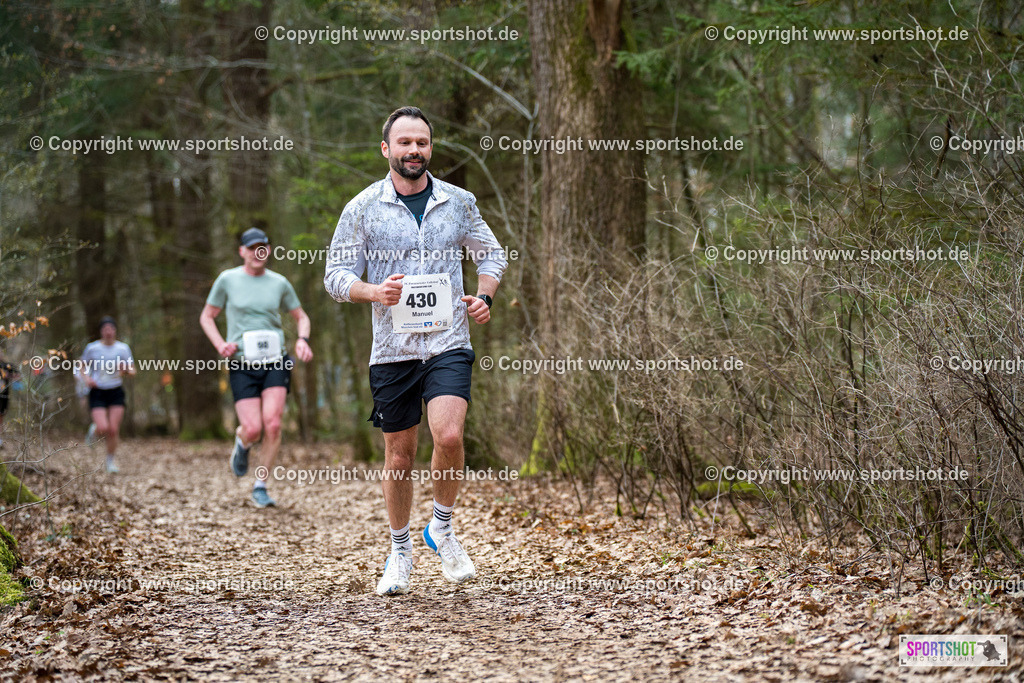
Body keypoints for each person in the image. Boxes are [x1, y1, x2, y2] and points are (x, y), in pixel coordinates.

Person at [325, 106, 508, 596]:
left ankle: (442, 528)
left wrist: (484, 296)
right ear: (386, 149)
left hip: (448, 341)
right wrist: (373, 292)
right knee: (399, 456)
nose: (414, 151)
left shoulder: (459, 201)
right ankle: (400, 551)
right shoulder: (362, 208)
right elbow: (335, 276)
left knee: (448, 435)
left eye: (422, 143)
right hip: (392, 350)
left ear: (431, 147)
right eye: (404, 143)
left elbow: (491, 253)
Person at [200, 227, 313, 508]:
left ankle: (261, 485)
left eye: (262, 246)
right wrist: (220, 344)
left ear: (269, 250)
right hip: (242, 363)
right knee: (253, 429)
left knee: (273, 424)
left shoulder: (280, 283)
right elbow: (207, 317)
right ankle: (242, 442)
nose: (257, 252)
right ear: (242, 251)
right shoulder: (227, 280)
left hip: (276, 360)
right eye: (251, 247)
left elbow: (301, 317)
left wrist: (302, 340)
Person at [76, 317, 135, 472]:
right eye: (105, 329)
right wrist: (87, 379)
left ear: (115, 330)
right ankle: (94, 431)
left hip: (116, 391)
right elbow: (81, 365)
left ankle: (110, 462)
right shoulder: (92, 348)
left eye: (111, 328)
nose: (108, 332)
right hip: (98, 391)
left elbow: (133, 370)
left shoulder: (123, 348)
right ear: (101, 331)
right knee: (103, 426)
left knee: (113, 430)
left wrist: (126, 370)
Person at [0, 354, 18, 449]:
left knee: (1, 417)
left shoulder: (7, 366)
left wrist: (9, 376)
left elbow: (19, 376)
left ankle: (0, 440)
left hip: (4, 396)